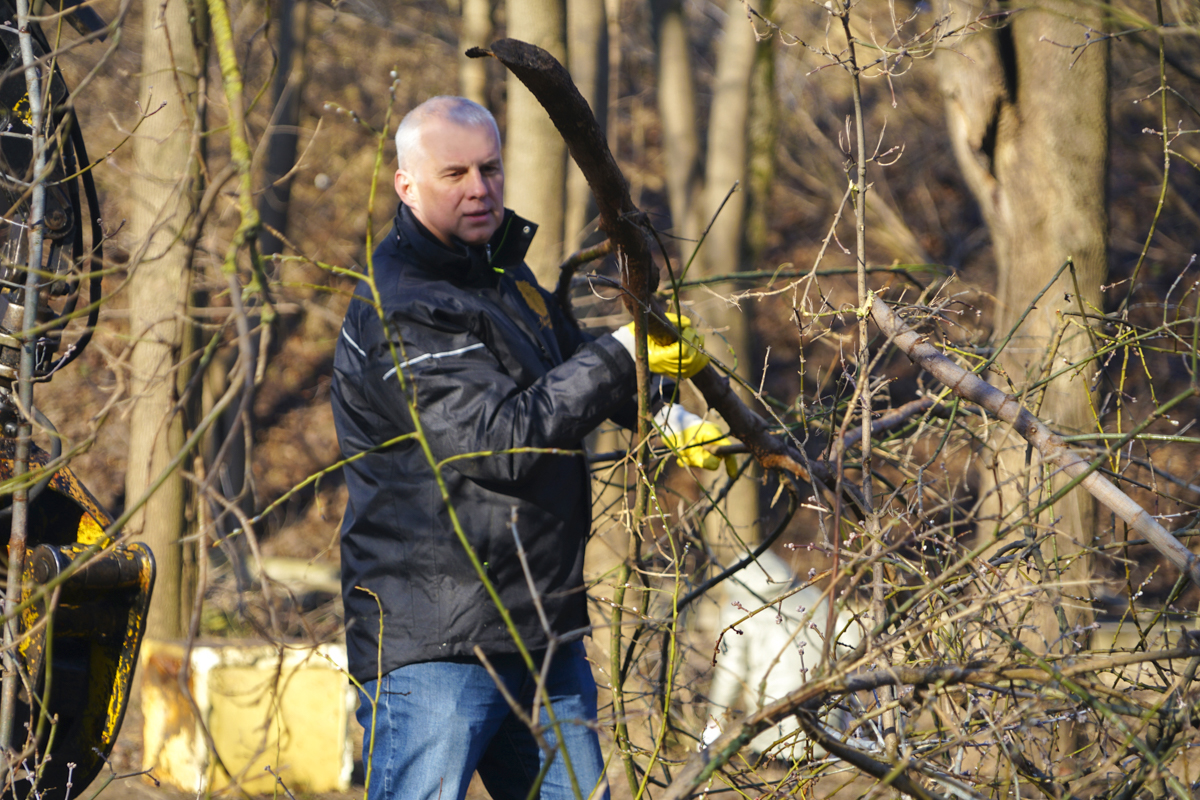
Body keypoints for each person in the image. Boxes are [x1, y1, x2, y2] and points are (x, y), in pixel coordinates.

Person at [331, 96, 730, 800]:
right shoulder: (406, 303)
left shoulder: (501, 276)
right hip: (439, 645)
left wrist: (661, 410)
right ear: (407, 185)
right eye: (454, 173)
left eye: (489, 168)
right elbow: (495, 442)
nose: (479, 188)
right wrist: (621, 352)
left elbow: (560, 370)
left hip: (540, 632)